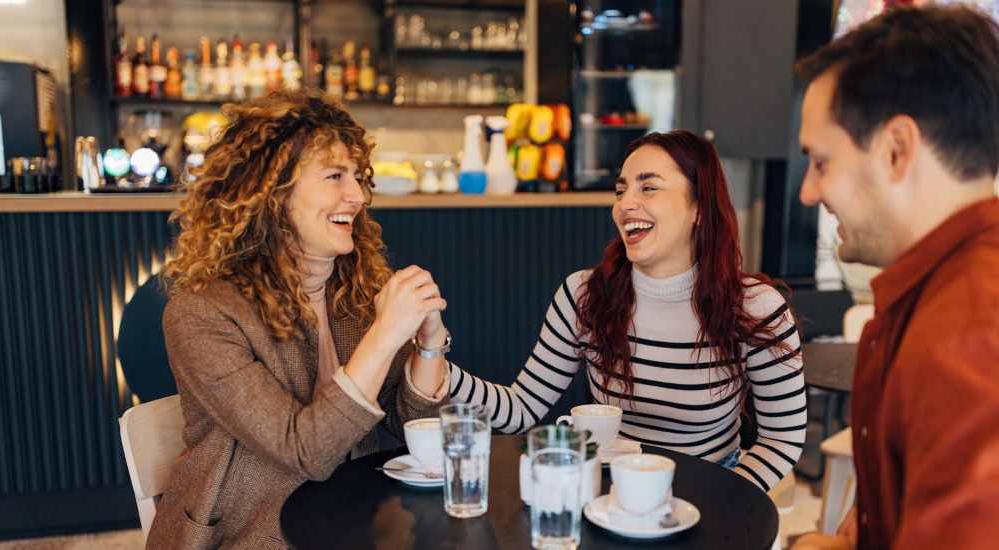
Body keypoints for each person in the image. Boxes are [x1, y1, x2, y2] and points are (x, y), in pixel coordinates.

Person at [146, 92, 452, 549]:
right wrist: (387, 333)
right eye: (335, 176)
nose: (359, 196)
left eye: (357, 177)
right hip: (252, 532)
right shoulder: (203, 313)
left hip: (354, 519)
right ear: (271, 194)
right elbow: (304, 450)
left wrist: (427, 346)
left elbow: (414, 423)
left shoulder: (355, 289)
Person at [448, 130, 807, 492]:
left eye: (648, 188)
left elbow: (783, 438)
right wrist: (435, 364)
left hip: (711, 489)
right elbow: (521, 409)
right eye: (621, 191)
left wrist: (725, 498)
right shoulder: (584, 295)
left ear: (699, 208)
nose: (625, 205)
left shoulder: (756, 308)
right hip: (612, 490)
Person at [791, 5, 999, 550]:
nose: (808, 192)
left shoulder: (967, 335)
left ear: (896, 151)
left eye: (821, 161)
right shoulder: (935, 296)